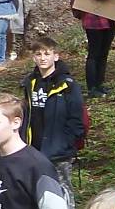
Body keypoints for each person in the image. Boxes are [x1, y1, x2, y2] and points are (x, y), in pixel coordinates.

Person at [18, 35, 84, 189]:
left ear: (56, 56)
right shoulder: (30, 82)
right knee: (36, 188)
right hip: (34, 146)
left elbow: (76, 117)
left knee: (62, 189)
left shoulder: (67, 85)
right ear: (33, 57)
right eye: (38, 54)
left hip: (59, 149)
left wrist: (66, 143)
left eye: (47, 54)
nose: (42, 58)